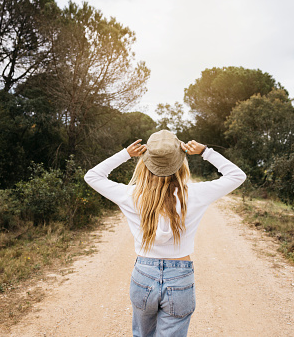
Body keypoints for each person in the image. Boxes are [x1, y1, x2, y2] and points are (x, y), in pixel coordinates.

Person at [84, 130, 246, 336]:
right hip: (180, 276)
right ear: (180, 162)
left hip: (144, 274)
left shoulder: (131, 195)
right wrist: (205, 151)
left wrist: (125, 154)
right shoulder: (194, 194)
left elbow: (92, 176)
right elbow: (237, 175)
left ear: (145, 162)